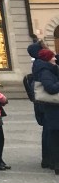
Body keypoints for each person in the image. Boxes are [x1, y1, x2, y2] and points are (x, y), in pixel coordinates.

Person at [29, 43, 59, 175]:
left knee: (52, 135)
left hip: (50, 107)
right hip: (51, 108)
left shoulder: (45, 67)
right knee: (53, 135)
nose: (55, 58)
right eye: (52, 57)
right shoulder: (45, 70)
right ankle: (53, 162)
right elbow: (50, 88)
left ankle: (50, 160)